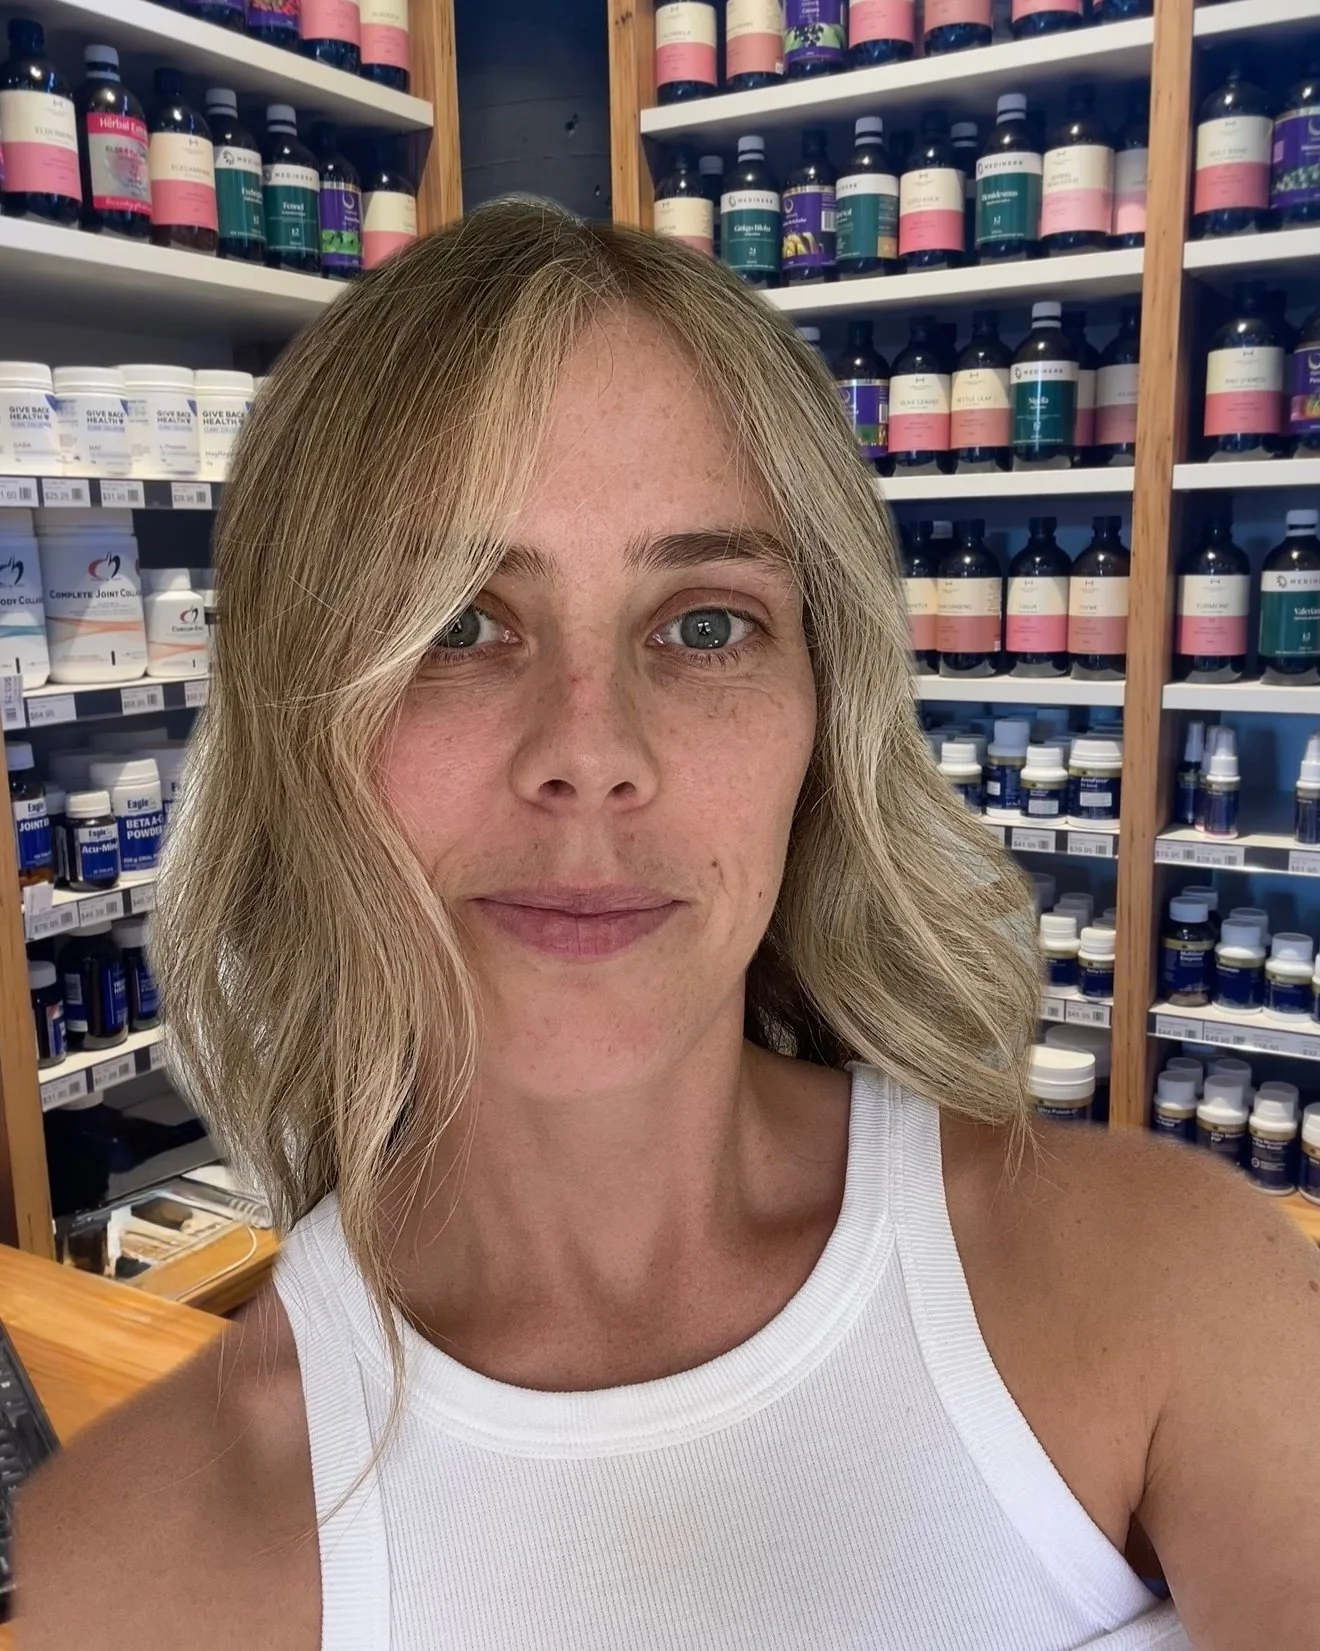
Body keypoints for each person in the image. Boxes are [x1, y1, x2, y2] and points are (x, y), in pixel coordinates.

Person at [17, 201, 1318, 1650]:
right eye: (457, 622)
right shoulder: (129, 1559)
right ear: (293, 719)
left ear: (824, 719)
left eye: (705, 624)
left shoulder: (1169, 1286)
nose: (592, 747)